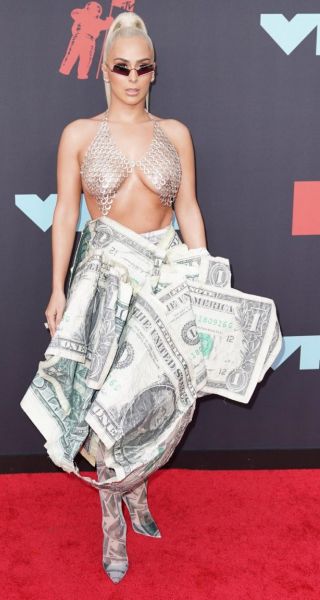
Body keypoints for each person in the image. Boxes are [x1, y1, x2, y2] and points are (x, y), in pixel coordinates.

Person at [20, 11, 282, 584]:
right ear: (105, 70)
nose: (133, 78)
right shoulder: (79, 134)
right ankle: (113, 518)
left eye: (143, 68)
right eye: (122, 68)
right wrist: (56, 288)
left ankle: (135, 491)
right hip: (105, 280)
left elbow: (188, 208)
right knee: (107, 406)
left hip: (167, 276)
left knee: (162, 403)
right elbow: (65, 214)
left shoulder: (176, 134)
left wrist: (205, 277)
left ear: (154, 71)